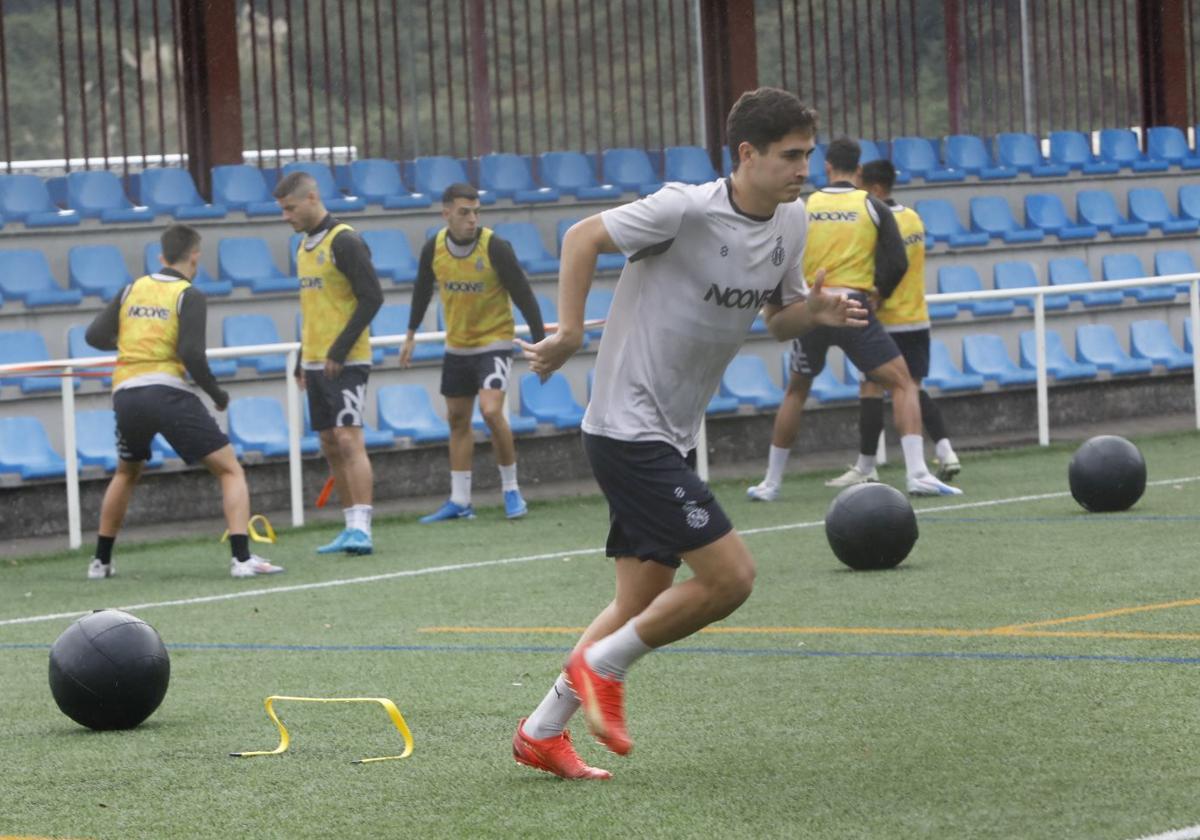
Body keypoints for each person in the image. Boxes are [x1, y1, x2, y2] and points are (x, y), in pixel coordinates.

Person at [511, 87, 867, 780]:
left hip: (668, 433)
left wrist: (814, 311)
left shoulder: (791, 222)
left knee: (637, 599)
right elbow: (581, 237)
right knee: (731, 577)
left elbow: (778, 318)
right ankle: (602, 667)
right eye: (791, 156)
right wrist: (571, 331)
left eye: (808, 154)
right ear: (746, 154)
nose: (804, 168)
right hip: (625, 428)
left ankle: (540, 732)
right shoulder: (684, 208)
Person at [745, 137, 961, 500]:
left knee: (796, 391)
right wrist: (878, 293)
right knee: (903, 383)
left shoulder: (802, 205)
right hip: (854, 307)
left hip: (811, 307)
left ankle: (770, 483)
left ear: (826, 166)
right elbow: (896, 262)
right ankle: (917, 473)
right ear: (858, 171)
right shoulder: (872, 205)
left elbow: (780, 256)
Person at [83, 224, 283, 580]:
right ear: (195, 255)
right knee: (229, 469)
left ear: (161, 256)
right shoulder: (189, 294)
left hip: (127, 394)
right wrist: (217, 395)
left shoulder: (131, 288)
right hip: (166, 392)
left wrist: (131, 342)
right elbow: (191, 353)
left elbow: (94, 336)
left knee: (126, 472)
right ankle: (241, 559)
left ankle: (101, 562)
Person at [402, 182, 545, 523]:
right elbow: (422, 289)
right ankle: (460, 500)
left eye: (476, 212)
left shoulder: (495, 246)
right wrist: (410, 334)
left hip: (494, 342)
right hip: (457, 346)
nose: (472, 219)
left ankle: (511, 489)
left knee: (492, 410)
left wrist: (541, 345)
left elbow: (524, 295)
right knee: (456, 419)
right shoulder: (433, 248)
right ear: (446, 213)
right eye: (464, 212)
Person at [825, 159, 960, 487]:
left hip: (885, 318)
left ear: (876, 188)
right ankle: (945, 451)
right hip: (916, 317)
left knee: (871, 388)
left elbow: (881, 268)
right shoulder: (913, 218)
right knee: (911, 387)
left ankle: (866, 465)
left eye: (860, 184)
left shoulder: (874, 222)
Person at [275, 171, 383, 554]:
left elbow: (372, 298)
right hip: (317, 360)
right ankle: (349, 523)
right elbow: (313, 309)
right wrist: (304, 357)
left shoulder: (346, 241)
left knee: (347, 437)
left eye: (290, 208)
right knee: (328, 442)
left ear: (311, 198)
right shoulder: (303, 247)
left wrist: (339, 349)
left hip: (348, 359)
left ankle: (364, 528)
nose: (286, 216)